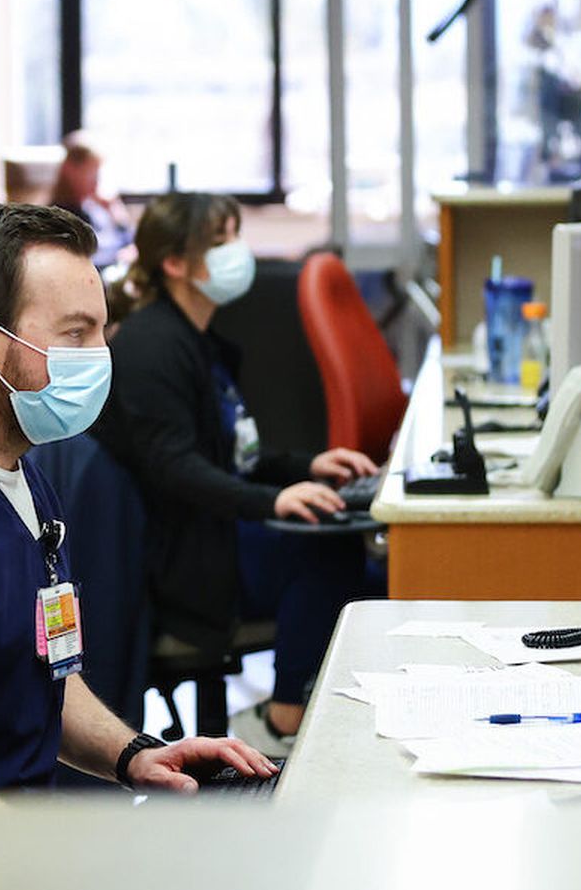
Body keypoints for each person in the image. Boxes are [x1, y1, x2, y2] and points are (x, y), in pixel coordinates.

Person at [0, 203, 275, 793]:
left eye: (100, 332)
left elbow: (44, 681)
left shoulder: (23, 478)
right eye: (75, 334)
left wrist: (135, 754)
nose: (100, 355)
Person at [93, 193, 380, 759]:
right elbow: (176, 468)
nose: (237, 252)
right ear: (175, 263)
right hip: (184, 559)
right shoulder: (154, 345)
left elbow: (235, 450)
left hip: (212, 530)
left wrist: (307, 467)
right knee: (323, 551)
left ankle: (314, 710)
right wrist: (274, 503)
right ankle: (281, 721)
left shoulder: (197, 338)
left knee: (355, 559)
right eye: (220, 241)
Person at [49, 131, 135, 269]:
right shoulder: (61, 216)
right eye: (91, 173)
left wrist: (114, 209)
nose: (96, 181)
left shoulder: (92, 207)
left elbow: (127, 239)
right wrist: (118, 255)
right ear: (71, 170)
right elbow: (87, 258)